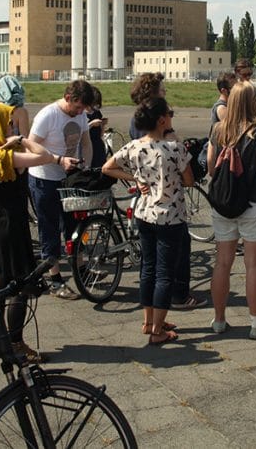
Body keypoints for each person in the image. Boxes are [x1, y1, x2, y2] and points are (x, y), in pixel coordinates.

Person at [103, 98, 193, 345]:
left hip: (144, 213)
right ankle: (157, 331)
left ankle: (149, 321)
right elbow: (189, 180)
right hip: (170, 215)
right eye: (170, 114)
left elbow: (107, 167)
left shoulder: (134, 146)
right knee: (165, 273)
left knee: (148, 269)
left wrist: (133, 179)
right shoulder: (174, 148)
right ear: (162, 120)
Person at [0, 103, 56, 363]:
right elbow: (44, 155)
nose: (12, 127)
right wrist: (22, 139)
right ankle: (15, 342)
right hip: (11, 224)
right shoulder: (4, 157)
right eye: (8, 123)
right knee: (19, 285)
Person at [128, 71, 207, 310]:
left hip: (147, 204)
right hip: (167, 200)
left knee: (150, 260)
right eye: (162, 90)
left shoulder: (138, 119)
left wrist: (135, 176)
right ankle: (178, 296)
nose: (165, 93)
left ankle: (150, 312)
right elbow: (186, 176)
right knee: (176, 250)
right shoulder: (156, 124)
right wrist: (176, 142)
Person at [206, 82, 256, 339]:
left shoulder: (217, 130)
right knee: (253, 265)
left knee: (222, 262)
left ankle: (218, 319)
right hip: (253, 204)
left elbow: (212, 167)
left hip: (223, 205)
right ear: (252, 102)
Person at [27, 80, 91, 298]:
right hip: (44, 178)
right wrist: (57, 160)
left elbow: (86, 143)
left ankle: (81, 269)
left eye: (83, 109)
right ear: (68, 98)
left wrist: (86, 167)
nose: (80, 112)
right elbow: (29, 145)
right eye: (78, 107)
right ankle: (54, 279)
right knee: (50, 228)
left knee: (75, 225)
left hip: (69, 179)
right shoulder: (48, 115)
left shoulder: (81, 116)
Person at [85, 85, 108, 168]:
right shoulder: (81, 114)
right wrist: (91, 124)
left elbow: (101, 134)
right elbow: (80, 131)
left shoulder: (97, 113)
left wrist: (103, 125)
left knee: (100, 167)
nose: (95, 107)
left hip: (97, 144)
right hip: (87, 144)